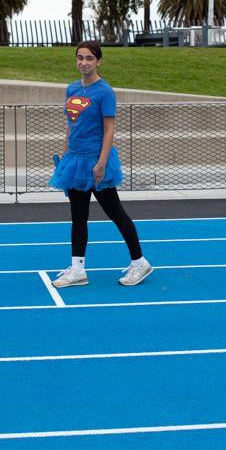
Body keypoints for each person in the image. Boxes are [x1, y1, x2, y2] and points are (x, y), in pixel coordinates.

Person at [49, 40, 153, 288]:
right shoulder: (72, 89)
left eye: (89, 58)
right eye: (80, 57)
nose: (84, 62)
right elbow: (71, 125)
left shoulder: (104, 92)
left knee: (116, 213)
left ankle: (140, 262)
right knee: (78, 218)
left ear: (98, 61)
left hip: (97, 161)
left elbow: (109, 130)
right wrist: (65, 155)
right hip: (75, 162)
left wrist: (102, 163)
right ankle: (77, 270)